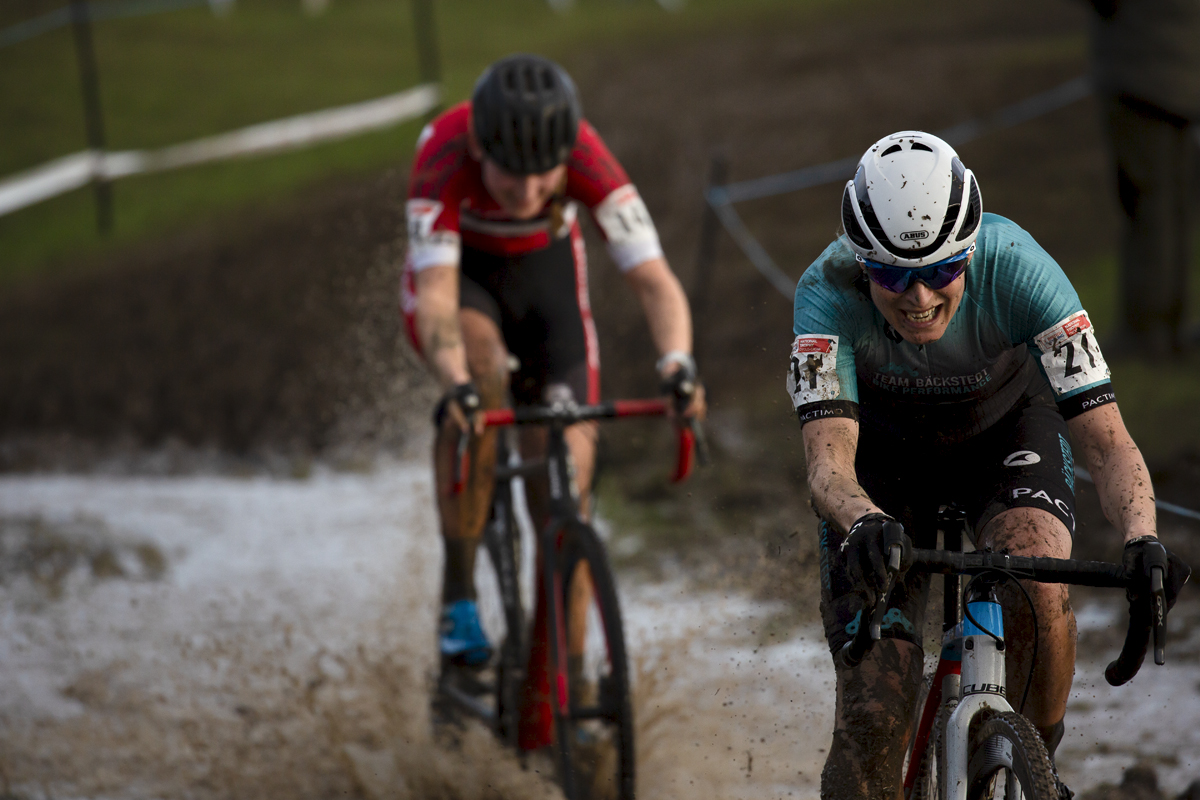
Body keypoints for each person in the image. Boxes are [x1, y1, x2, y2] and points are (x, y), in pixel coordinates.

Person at [787, 131, 1190, 800]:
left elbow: (1107, 441)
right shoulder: (824, 293)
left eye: (940, 271)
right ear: (861, 264)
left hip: (1002, 437)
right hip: (880, 472)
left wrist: (1141, 537)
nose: (918, 297)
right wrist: (861, 522)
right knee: (873, 720)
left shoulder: (1023, 268)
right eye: (890, 275)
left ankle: (1038, 762)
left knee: (1036, 583)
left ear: (971, 250)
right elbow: (828, 465)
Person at [401, 54, 704, 674]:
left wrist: (678, 363)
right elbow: (433, 296)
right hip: (463, 288)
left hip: (548, 298)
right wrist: (456, 382)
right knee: (480, 370)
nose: (531, 192)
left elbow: (654, 281)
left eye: (545, 178)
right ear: (481, 147)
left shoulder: (588, 155)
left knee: (564, 484)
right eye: (512, 177)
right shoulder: (442, 152)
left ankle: (564, 689)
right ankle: (459, 592)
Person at [1085, 0, 1200, 356]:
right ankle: (1168, 327)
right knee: (1174, 202)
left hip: (1145, 69)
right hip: (1182, 67)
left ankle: (1149, 330)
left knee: (1147, 201)